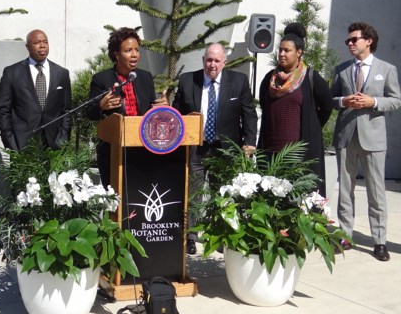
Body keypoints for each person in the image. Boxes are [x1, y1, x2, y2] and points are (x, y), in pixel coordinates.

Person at [172, 43, 257, 255]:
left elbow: (249, 113)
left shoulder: (239, 82)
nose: (212, 65)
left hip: (225, 148)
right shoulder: (187, 81)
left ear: (224, 63)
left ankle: (218, 235)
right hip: (196, 147)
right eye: (209, 60)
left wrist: (250, 141)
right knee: (193, 192)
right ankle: (190, 235)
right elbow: (177, 112)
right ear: (203, 61)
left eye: (217, 61)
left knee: (222, 192)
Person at [332, 22, 401, 261]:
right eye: (348, 41)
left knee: (376, 191)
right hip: (346, 135)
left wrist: (374, 102)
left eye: (354, 40)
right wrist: (344, 101)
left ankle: (379, 241)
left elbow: (395, 100)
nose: (350, 43)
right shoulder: (341, 69)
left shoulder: (387, 69)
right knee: (345, 189)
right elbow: (331, 99)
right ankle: (344, 235)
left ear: (368, 41)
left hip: (373, 138)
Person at [258, 22, 333, 196]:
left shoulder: (311, 78)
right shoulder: (270, 79)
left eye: (287, 50)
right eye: (280, 50)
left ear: (299, 53)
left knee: (295, 202)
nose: (282, 54)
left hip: (297, 154)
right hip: (270, 152)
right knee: (269, 201)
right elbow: (265, 106)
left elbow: (327, 106)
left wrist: (313, 127)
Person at [87, 27, 167, 187]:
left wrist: (163, 108)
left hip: (142, 149)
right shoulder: (101, 79)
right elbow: (89, 112)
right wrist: (101, 106)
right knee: (116, 200)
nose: (134, 54)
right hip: (112, 151)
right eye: (128, 50)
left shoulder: (145, 77)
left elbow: (151, 111)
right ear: (117, 54)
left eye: (137, 50)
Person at [0, 29, 71, 151]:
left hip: (54, 143)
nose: (42, 46)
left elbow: (66, 110)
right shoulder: (12, 73)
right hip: (22, 144)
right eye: (37, 42)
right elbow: (3, 110)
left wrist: (63, 136)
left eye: (45, 42)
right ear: (27, 47)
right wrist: (9, 140)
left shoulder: (61, 73)